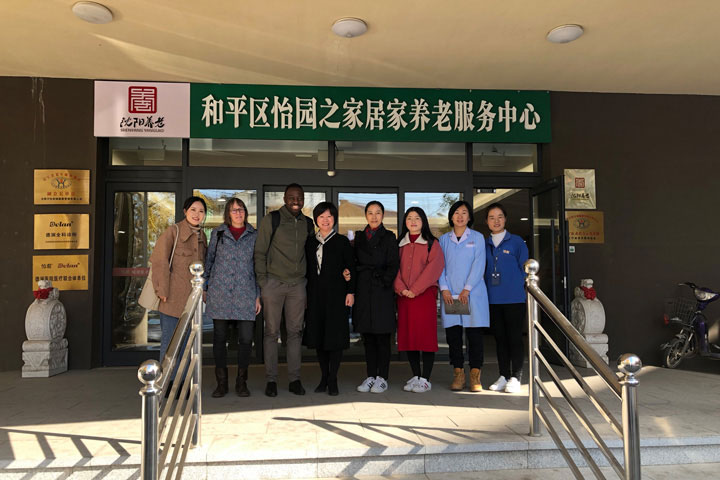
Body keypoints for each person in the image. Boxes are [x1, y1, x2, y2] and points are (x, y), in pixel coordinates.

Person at [254, 183, 314, 397]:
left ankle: (294, 379)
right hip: (274, 283)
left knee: (295, 333)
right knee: (271, 333)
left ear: (304, 199)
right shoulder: (272, 219)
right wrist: (263, 283)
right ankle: (271, 380)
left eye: (300, 197)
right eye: (292, 197)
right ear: (284, 198)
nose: (296, 201)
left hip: (298, 285)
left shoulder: (308, 224)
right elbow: (260, 252)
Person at [204, 198, 261, 398]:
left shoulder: (255, 235)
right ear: (228, 213)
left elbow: (258, 267)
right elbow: (209, 261)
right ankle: (222, 383)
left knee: (246, 339)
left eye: (241, 209)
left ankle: (241, 382)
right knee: (220, 339)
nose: (238, 213)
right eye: (233, 210)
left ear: (245, 212)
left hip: (246, 293)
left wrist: (258, 296)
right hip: (220, 293)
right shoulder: (218, 234)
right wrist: (204, 287)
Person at [149, 195, 208, 385]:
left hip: (193, 300)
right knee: (170, 343)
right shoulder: (173, 231)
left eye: (201, 211)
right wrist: (162, 290)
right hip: (171, 298)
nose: (197, 214)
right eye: (193, 210)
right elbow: (159, 261)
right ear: (185, 211)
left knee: (188, 344)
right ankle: (166, 382)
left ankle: (183, 384)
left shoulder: (202, 236)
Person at [304, 202, 356, 396]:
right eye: (321, 217)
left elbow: (350, 267)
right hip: (315, 296)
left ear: (334, 219)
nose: (325, 220)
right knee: (319, 338)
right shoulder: (310, 242)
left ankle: (333, 379)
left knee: (334, 339)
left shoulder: (342, 242)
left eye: (329, 217)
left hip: (337, 296)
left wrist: (350, 292)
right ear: (316, 219)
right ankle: (323, 377)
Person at [439, 200, 490, 392]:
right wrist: (444, 289)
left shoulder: (477, 238)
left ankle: (475, 375)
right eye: (456, 213)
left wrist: (467, 289)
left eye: (464, 213)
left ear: (469, 217)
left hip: (472, 294)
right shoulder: (444, 240)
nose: (460, 216)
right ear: (451, 216)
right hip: (451, 295)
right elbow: (440, 266)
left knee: (474, 335)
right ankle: (458, 373)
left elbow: (479, 264)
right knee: (454, 336)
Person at [394, 207, 445, 393]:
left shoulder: (432, 243)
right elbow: (394, 268)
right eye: (409, 218)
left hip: (423, 298)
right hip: (404, 298)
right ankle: (415, 375)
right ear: (404, 222)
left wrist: (414, 290)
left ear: (423, 221)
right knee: (409, 337)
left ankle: (425, 378)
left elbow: (434, 269)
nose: (413, 221)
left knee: (425, 337)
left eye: (417, 218)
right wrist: (401, 288)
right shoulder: (399, 243)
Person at [352, 201, 399, 394]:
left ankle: (382, 377)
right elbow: (355, 262)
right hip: (364, 291)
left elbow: (393, 264)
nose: (374, 216)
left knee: (382, 337)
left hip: (382, 291)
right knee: (368, 337)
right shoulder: (359, 237)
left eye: (377, 213)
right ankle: (370, 375)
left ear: (383, 215)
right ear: (365, 216)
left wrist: (383, 280)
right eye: (370, 213)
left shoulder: (389, 237)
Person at [484, 202, 529, 394]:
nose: (496, 221)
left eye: (500, 216)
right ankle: (503, 375)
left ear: (505, 219)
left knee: (514, 338)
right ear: (487, 221)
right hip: (493, 299)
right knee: (500, 339)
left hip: (514, 299)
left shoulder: (516, 242)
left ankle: (515, 377)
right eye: (492, 217)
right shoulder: (483, 243)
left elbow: (524, 270)